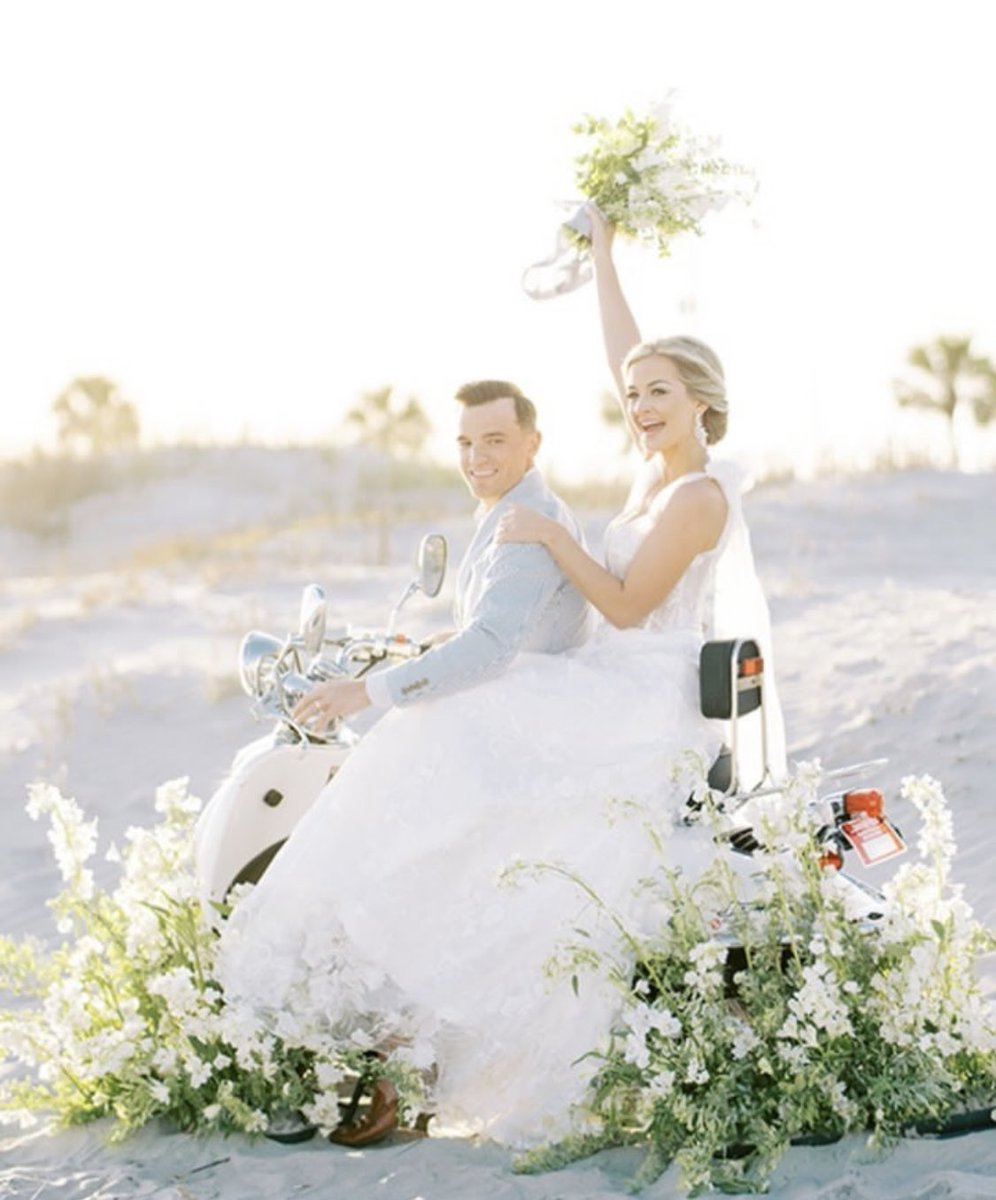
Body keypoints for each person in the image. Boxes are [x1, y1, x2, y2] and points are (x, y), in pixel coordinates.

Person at [216, 207, 783, 1150]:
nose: (640, 405)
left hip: (651, 686)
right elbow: (624, 350)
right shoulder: (652, 471)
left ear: (703, 406)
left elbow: (634, 607)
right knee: (463, 744)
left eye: (660, 395)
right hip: (610, 674)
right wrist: (604, 254)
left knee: (463, 728)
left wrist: (554, 536)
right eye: (635, 393)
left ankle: (418, 1028)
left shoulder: (699, 495)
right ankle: (399, 1020)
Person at [291, 378, 591, 729]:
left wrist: (365, 691)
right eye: (466, 443)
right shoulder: (520, 509)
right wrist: (453, 638)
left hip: (526, 719)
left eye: (494, 441)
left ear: (532, 443)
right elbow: (517, 623)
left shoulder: (527, 524)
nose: (476, 458)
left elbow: (491, 644)